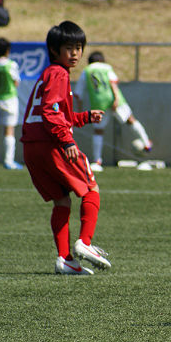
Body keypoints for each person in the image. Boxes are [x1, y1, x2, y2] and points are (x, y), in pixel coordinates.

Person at [21, 21, 111, 275]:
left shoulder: (48, 73)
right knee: (91, 189)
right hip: (52, 145)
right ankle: (85, 243)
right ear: (54, 49)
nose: (74, 53)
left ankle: (65, 259)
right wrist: (67, 141)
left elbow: (52, 112)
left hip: (31, 148)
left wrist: (83, 118)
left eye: (78, 47)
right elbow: (51, 112)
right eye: (68, 47)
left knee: (62, 200)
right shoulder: (59, 73)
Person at [74, 51, 152, 172]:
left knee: (98, 131)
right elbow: (113, 82)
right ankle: (146, 143)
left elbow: (78, 94)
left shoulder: (87, 70)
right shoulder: (106, 67)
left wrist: (78, 112)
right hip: (115, 100)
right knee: (131, 120)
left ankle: (97, 161)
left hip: (99, 103)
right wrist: (116, 98)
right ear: (102, 60)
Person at [0, 37, 22, 169]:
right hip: (8, 100)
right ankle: (8, 161)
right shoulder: (11, 64)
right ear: (8, 50)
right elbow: (16, 82)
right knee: (9, 130)